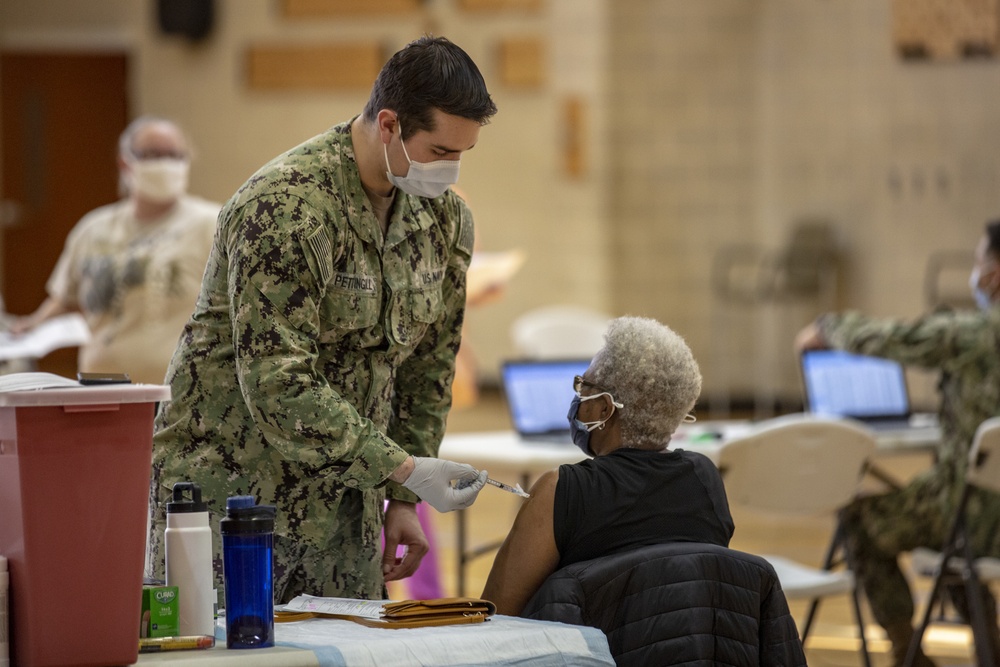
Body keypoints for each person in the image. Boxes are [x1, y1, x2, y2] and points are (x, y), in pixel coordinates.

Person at [148, 35, 497, 604]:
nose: (451, 171)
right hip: (230, 497)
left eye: (464, 154)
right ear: (388, 126)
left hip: (344, 505)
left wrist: (403, 500)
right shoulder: (284, 208)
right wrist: (404, 469)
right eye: (439, 152)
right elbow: (278, 383)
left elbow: (428, 369)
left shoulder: (445, 221)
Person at [794, 219, 1000, 667]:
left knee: (862, 519)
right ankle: (991, 650)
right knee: (950, 522)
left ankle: (908, 653)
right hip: (980, 513)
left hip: (977, 520)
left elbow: (893, 340)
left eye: (979, 260)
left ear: (993, 274)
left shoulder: (977, 335)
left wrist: (830, 326)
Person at [482, 316, 735, 616]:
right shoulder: (704, 478)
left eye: (583, 387)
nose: (577, 399)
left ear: (604, 409)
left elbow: (496, 615)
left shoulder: (562, 491)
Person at [11, 116, 219, 384]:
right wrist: (33, 325)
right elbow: (66, 299)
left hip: (178, 394)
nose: (165, 164)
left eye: (175, 155)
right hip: (100, 389)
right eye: (153, 154)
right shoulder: (93, 228)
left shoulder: (211, 224)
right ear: (125, 162)